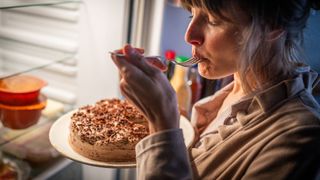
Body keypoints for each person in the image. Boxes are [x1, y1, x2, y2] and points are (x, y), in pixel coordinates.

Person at [110, 0, 320, 179]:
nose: (189, 35)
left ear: (271, 26)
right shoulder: (237, 90)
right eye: (191, 14)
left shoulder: (300, 139)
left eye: (212, 19)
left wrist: (162, 123)